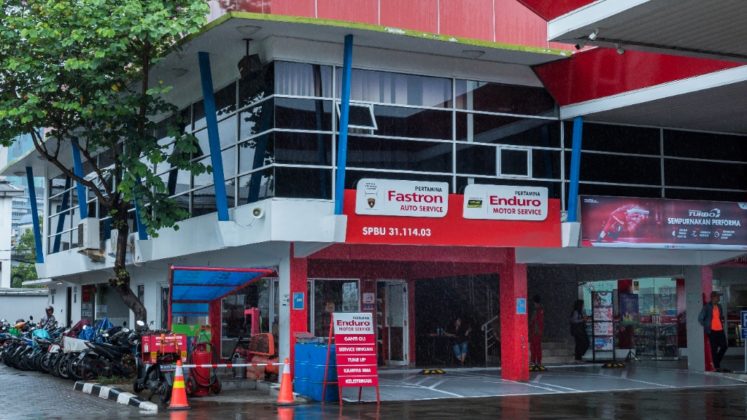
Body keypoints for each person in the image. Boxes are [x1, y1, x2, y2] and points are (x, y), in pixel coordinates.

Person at [698, 291, 729, 372]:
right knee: (714, 349)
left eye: (719, 297)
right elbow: (700, 318)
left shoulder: (719, 306)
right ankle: (717, 366)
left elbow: (720, 316)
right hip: (712, 331)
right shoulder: (707, 307)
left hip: (720, 330)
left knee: (724, 346)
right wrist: (707, 325)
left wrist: (720, 321)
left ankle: (716, 362)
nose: (719, 299)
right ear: (713, 298)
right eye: (717, 297)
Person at [529, 295, 545, 367]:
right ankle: (537, 361)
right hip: (537, 331)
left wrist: (536, 330)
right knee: (536, 346)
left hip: (535, 331)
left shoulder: (537, 311)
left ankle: (534, 361)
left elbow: (535, 321)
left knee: (534, 347)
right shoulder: (540, 310)